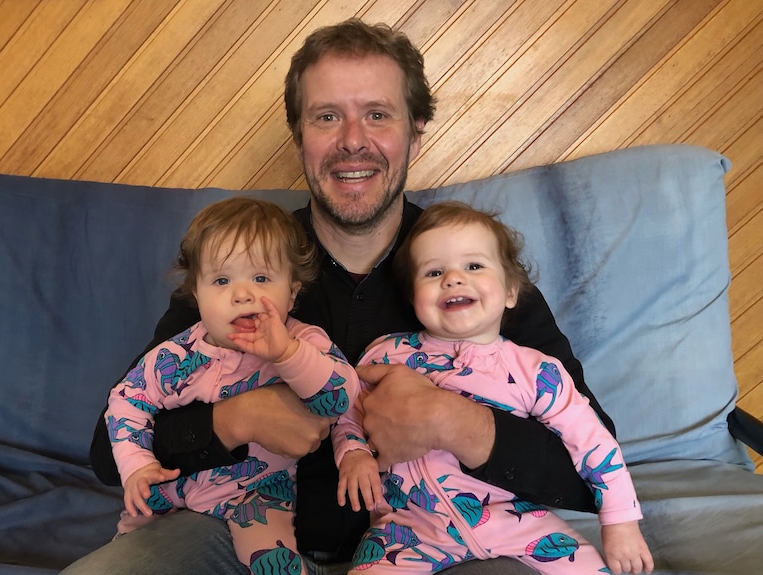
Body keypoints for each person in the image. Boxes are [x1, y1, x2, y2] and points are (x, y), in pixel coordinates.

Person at [64, 18, 615, 575]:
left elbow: (590, 467)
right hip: (233, 532)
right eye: (327, 117)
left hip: (446, 546)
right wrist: (235, 419)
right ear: (299, 136)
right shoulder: (237, 269)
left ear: (416, 132)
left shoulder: (471, 274)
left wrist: (457, 423)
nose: (353, 139)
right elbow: (108, 453)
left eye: (377, 115)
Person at [333, 202, 653, 575]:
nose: (453, 278)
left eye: (474, 266)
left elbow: (593, 442)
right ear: (412, 297)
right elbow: (347, 409)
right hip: (407, 528)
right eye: (434, 271)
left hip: (518, 521)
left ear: (511, 291)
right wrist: (352, 453)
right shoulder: (387, 353)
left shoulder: (536, 370)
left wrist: (620, 522)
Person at [105, 196, 359, 573]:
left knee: (275, 563)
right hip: (169, 490)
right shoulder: (174, 356)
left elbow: (340, 399)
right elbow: (125, 403)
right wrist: (137, 466)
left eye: (260, 278)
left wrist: (287, 354)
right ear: (196, 295)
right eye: (221, 280)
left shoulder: (303, 344)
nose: (241, 294)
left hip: (255, 494)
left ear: (291, 291)